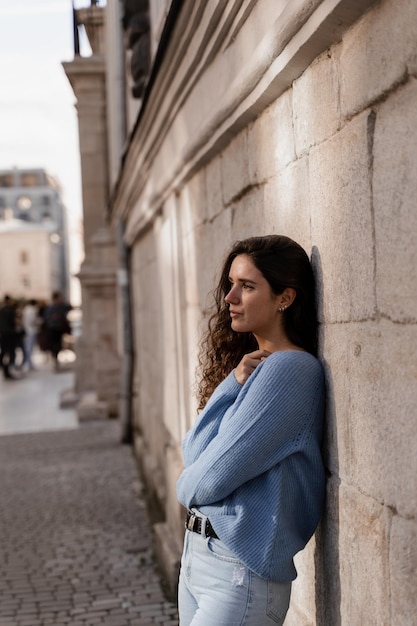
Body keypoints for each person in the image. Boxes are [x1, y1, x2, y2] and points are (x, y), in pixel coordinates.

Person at [176, 235, 326, 625]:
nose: (229, 297)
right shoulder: (255, 371)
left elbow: (205, 481)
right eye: (230, 284)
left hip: (237, 572)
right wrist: (231, 384)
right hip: (200, 559)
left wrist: (183, 487)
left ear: (284, 298)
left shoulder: (291, 370)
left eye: (247, 286)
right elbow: (194, 453)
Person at [44, 291, 72, 369]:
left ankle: (57, 359)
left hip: (59, 329)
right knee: (54, 345)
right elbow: (47, 318)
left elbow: (68, 308)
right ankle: (55, 359)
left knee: (59, 344)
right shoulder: (51, 308)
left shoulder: (62, 307)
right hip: (53, 329)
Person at [0, 295, 18, 380]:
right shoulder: (11, 310)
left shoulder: (2, 310)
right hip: (10, 334)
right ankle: (8, 370)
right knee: (10, 353)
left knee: (4, 352)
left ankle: (5, 370)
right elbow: (14, 321)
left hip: (3, 334)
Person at [22, 299, 39, 370]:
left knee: (28, 347)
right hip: (31, 330)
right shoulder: (31, 310)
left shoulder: (26, 309)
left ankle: (28, 362)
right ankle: (28, 363)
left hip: (27, 329)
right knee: (29, 348)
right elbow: (32, 320)